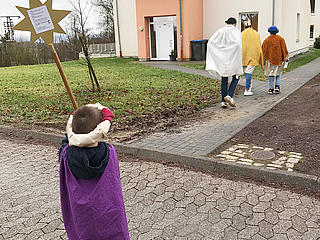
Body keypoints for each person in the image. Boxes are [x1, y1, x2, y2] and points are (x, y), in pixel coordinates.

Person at [59, 103, 130, 240]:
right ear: (100, 131)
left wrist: (73, 122)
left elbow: (66, 140)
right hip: (108, 213)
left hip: (82, 216)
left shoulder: (66, 154)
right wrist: (105, 116)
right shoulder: (109, 152)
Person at [206, 17, 243, 108]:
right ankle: (229, 95)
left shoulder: (220, 31)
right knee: (236, 76)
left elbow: (211, 42)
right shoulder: (236, 32)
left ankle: (223, 101)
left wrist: (219, 52)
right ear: (234, 24)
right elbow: (238, 44)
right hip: (233, 58)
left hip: (223, 59)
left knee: (224, 78)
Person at [262, 25, 289, 94]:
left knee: (271, 73)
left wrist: (263, 61)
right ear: (276, 31)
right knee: (278, 72)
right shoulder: (281, 39)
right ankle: (277, 86)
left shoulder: (266, 40)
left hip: (269, 60)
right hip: (279, 59)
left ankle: (270, 89)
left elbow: (263, 51)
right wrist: (286, 57)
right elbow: (284, 49)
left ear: (269, 32)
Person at [241, 19, 264, 96]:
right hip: (253, 56)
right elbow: (258, 45)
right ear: (251, 26)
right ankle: (247, 89)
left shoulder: (241, 34)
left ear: (244, 27)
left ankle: (249, 86)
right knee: (248, 72)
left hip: (243, 56)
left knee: (245, 72)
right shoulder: (256, 33)